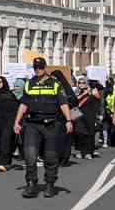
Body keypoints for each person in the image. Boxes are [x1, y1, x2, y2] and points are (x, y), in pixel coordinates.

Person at [14, 58, 73, 198]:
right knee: (30, 156)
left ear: (45, 67)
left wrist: (69, 120)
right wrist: (17, 121)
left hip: (51, 125)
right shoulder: (30, 84)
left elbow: (63, 104)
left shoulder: (55, 84)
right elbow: (23, 104)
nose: (37, 70)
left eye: (40, 67)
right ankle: (31, 184)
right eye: (35, 67)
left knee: (50, 157)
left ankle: (49, 184)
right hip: (32, 124)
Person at [74, 81, 103, 160]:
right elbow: (74, 100)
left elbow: (99, 101)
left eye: (83, 82)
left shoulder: (93, 91)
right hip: (78, 115)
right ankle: (80, 151)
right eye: (80, 83)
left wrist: (100, 114)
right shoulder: (76, 91)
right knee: (79, 133)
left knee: (90, 133)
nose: (81, 84)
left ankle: (88, 152)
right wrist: (84, 93)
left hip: (90, 115)